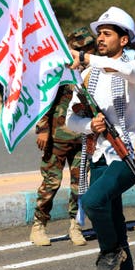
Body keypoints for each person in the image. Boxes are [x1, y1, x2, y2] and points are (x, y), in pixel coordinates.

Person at [66, 6, 135, 270]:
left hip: (128, 155)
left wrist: (88, 59)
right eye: (98, 33)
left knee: (93, 201)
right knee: (114, 223)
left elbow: (132, 72)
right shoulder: (89, 75)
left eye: (107, 33)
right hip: (98, 154)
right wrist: (90, 126)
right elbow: (70, 120)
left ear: (123, 40)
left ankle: (109, 251)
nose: (100, 38)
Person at [29, 27, 95, 247]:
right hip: (57, 136)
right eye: (78, 48)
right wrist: (43, 128)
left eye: (87, 48)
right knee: (51, 183)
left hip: (83, 138)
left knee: (80, 185)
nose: (83, 52)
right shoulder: (58, 70)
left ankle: (75, 226)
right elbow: (43, 100)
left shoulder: (94, 69)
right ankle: (38, 225)